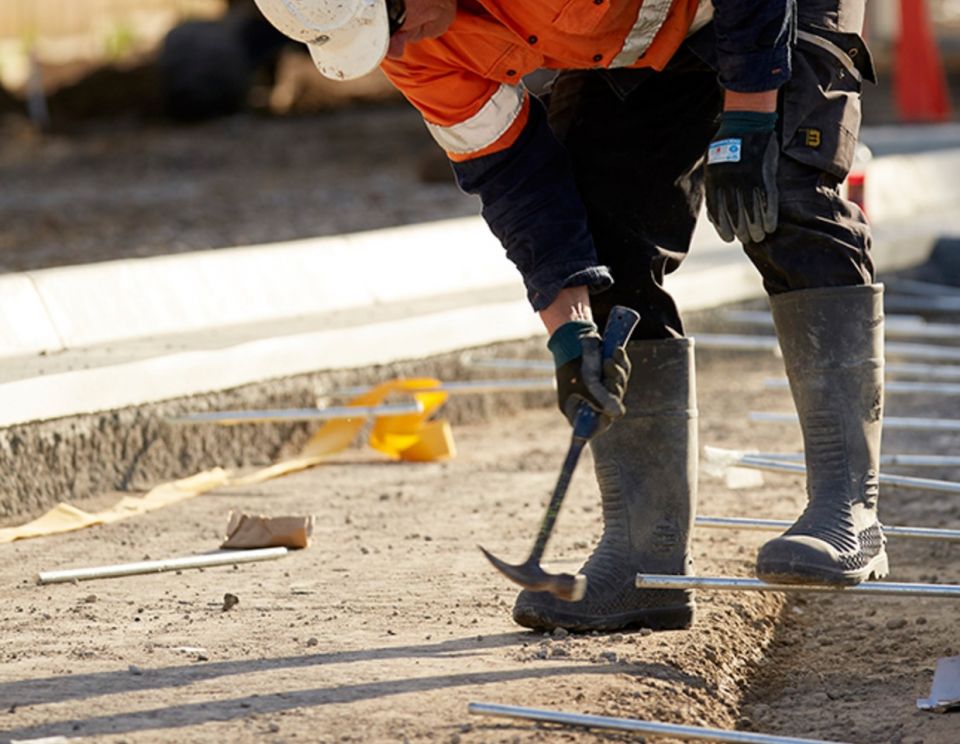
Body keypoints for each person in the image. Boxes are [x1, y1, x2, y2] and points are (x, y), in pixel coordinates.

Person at [253, 0, 887, 632]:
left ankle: (847, 509)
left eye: (391, 22)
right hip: (647, 34)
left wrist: (749, 119)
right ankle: (644, 562)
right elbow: (516, 182)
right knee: (599, 241)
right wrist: (572, 331)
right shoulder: (415, 48)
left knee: (785, 192)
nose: (396, 44)